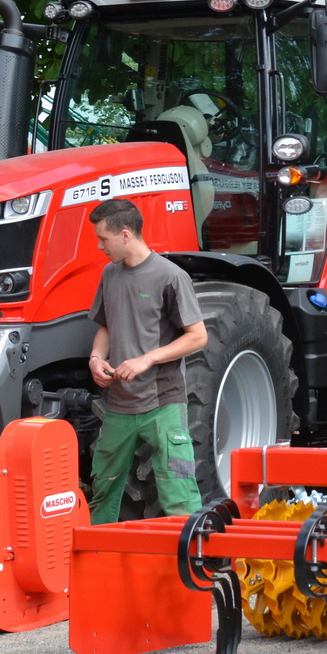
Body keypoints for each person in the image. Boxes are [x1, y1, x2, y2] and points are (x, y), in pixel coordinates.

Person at [86, 198, 209, 524]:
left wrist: (146, 360)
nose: (100, 246)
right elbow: (106, 326)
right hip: (119, 407)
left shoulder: (171, 276)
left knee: (179, 490)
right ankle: (101, 564)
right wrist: (97, 357)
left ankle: (189, 567)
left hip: (164, 406)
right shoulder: (110, 275)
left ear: (125, 235)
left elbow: (198, 336)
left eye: (103, 239)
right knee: (103, 490)